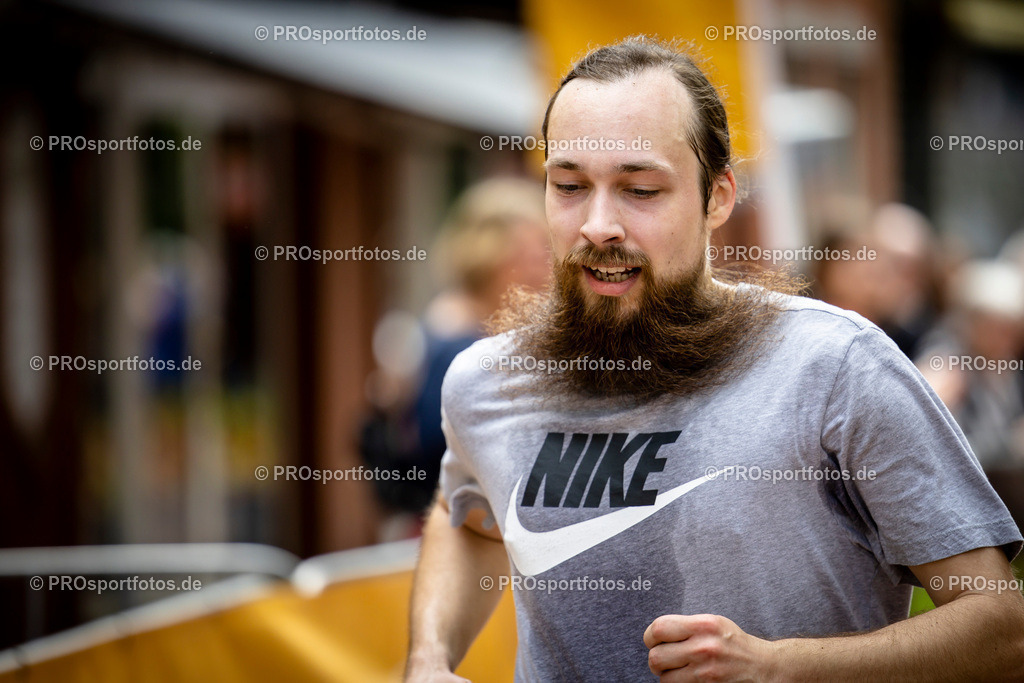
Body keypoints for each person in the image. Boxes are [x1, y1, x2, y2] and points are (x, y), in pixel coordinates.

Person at [405, 36, 1024, 682]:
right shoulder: (486, 382)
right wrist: (428, 656)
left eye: (640, 189)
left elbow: (1001, 629)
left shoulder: (837, 369)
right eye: (568, 186)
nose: (598, 224)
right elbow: (465, 513)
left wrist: (779, 666)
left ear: (718, 197)